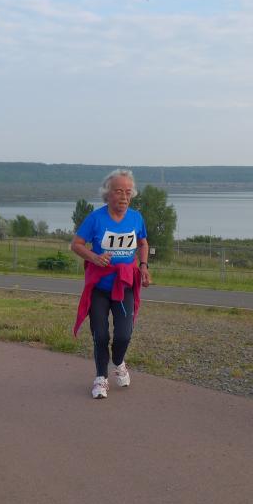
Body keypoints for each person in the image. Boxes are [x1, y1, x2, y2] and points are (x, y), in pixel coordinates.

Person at [72, 168, 152, 399]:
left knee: (124, 335)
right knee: (100, 334)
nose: (124, 196)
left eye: (128, 192)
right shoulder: (95, 218)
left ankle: (118, 362)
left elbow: (143, 243)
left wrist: (143, 266)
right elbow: (76, 244)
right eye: (118, 191)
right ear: (107, 194)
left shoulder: (136, 218)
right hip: (99, 287)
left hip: (124, 285)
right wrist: (94, 257)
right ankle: (101, 378)